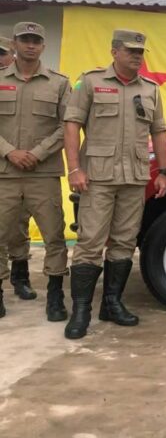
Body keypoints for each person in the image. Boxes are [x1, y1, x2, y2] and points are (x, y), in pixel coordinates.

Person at [63, 29, 166, 339]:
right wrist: (74, 169)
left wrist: (163, 171)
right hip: (96, 177)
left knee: (124, 242)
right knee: (90, 243)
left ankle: (112, 303)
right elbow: (72, 124)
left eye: (140, 51)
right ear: (114, 51)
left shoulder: (150, 89)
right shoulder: (91, 81)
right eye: (130, 50)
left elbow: (159, 130)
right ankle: (81, 310)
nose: (137, 56)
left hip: (134, 178)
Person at [0, 22, 71, 320]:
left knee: (54, 235)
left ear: (43, 46)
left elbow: (66, 125)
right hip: (4, 173)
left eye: (36, 40)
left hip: (43, 174)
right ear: (14, 44)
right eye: (25, 39)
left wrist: (38, 153)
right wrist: (9, 151)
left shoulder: (59, 83)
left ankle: (55, 296)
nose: (31, 45)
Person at [0, 36, 36, 301]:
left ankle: (20, 276)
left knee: (18, 224)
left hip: (16, 168)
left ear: (11, 54)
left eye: (1, 53)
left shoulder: (22, 82)